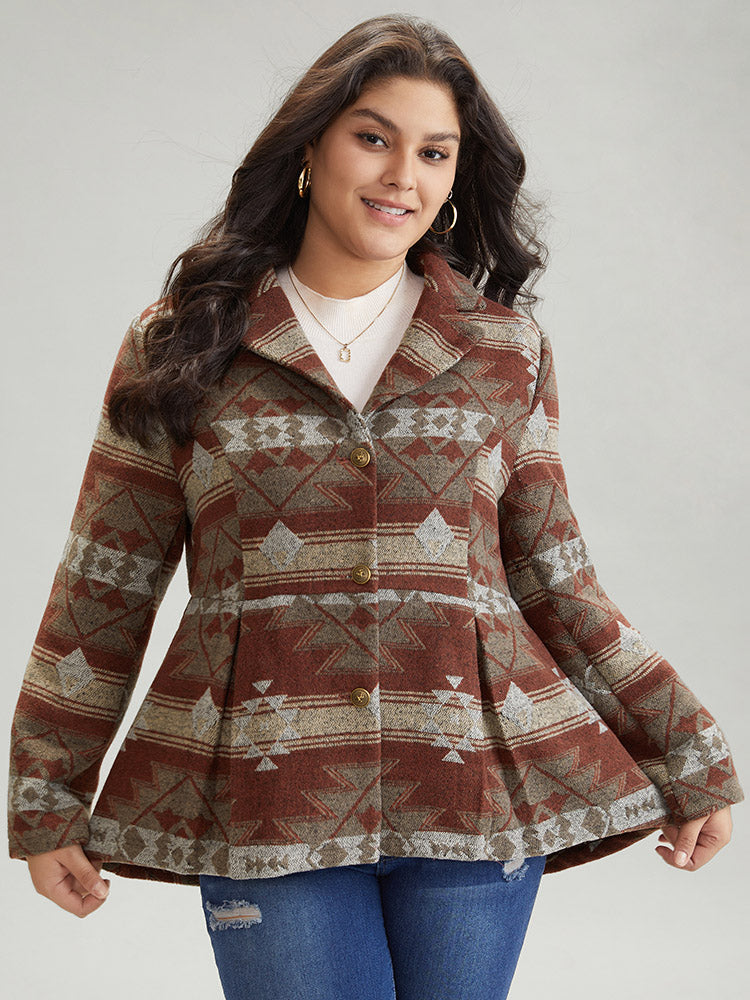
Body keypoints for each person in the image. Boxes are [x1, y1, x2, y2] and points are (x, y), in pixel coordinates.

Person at [7, 13, 744, 1000]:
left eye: (434, 152)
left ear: (455, 178)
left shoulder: (504, 352)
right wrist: (46, 797)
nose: (403, 175)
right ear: (309, 149)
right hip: (268, 804)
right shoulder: (184, 345)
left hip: (471, 801)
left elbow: (555, 580)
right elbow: (106, 582)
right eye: (373, 137)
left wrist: (687, 752)